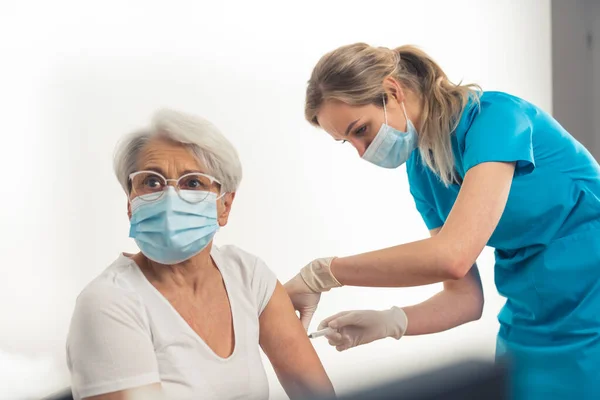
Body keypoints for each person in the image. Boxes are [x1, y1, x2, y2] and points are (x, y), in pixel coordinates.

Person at [284, 42, 600, 400]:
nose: (362, 151)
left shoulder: (496, 119)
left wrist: (324, 273)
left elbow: (452, 256)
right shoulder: (423, 170)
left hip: (593, 305)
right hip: (531, 318)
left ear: (392, 90)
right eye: (347, 142)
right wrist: (390, 321)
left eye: (360, 130)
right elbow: (465, 298)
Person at [66, 109, 335, 400]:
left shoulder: (247, 274)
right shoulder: (109, 303)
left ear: (225, 206)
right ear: (130, 203)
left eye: (193, 183)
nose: (169, 198)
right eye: (152, 182)